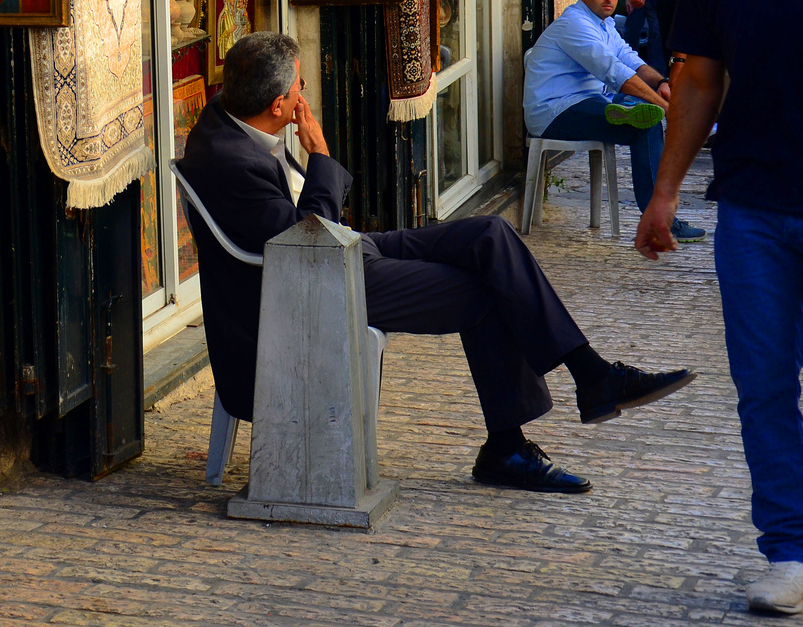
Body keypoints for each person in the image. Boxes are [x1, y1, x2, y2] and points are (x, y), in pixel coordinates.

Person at [179, 32, 695, 494]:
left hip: (345, 250)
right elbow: (305, 247)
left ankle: (590, 376)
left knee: (490, 235)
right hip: (317, 283)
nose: (304, 92)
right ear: (276, 104)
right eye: (298, 87)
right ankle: (515, 442)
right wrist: (319, 156)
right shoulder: (234, 162)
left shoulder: (231, 114)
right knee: (486, 291)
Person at [635, 0, 803, 615]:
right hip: (752, 211)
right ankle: (792, 548)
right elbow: (698, 82)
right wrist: (663, 193)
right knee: (764, 385)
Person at [523, 0, 704, 242]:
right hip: (554, 111)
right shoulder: (575, 24)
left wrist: (661, 83)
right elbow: (613, 71)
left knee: (647, 111)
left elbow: (631, 60)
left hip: (591, 99)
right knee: (648, 120)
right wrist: (668, 108)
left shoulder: (605, 23)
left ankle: (629, 110)